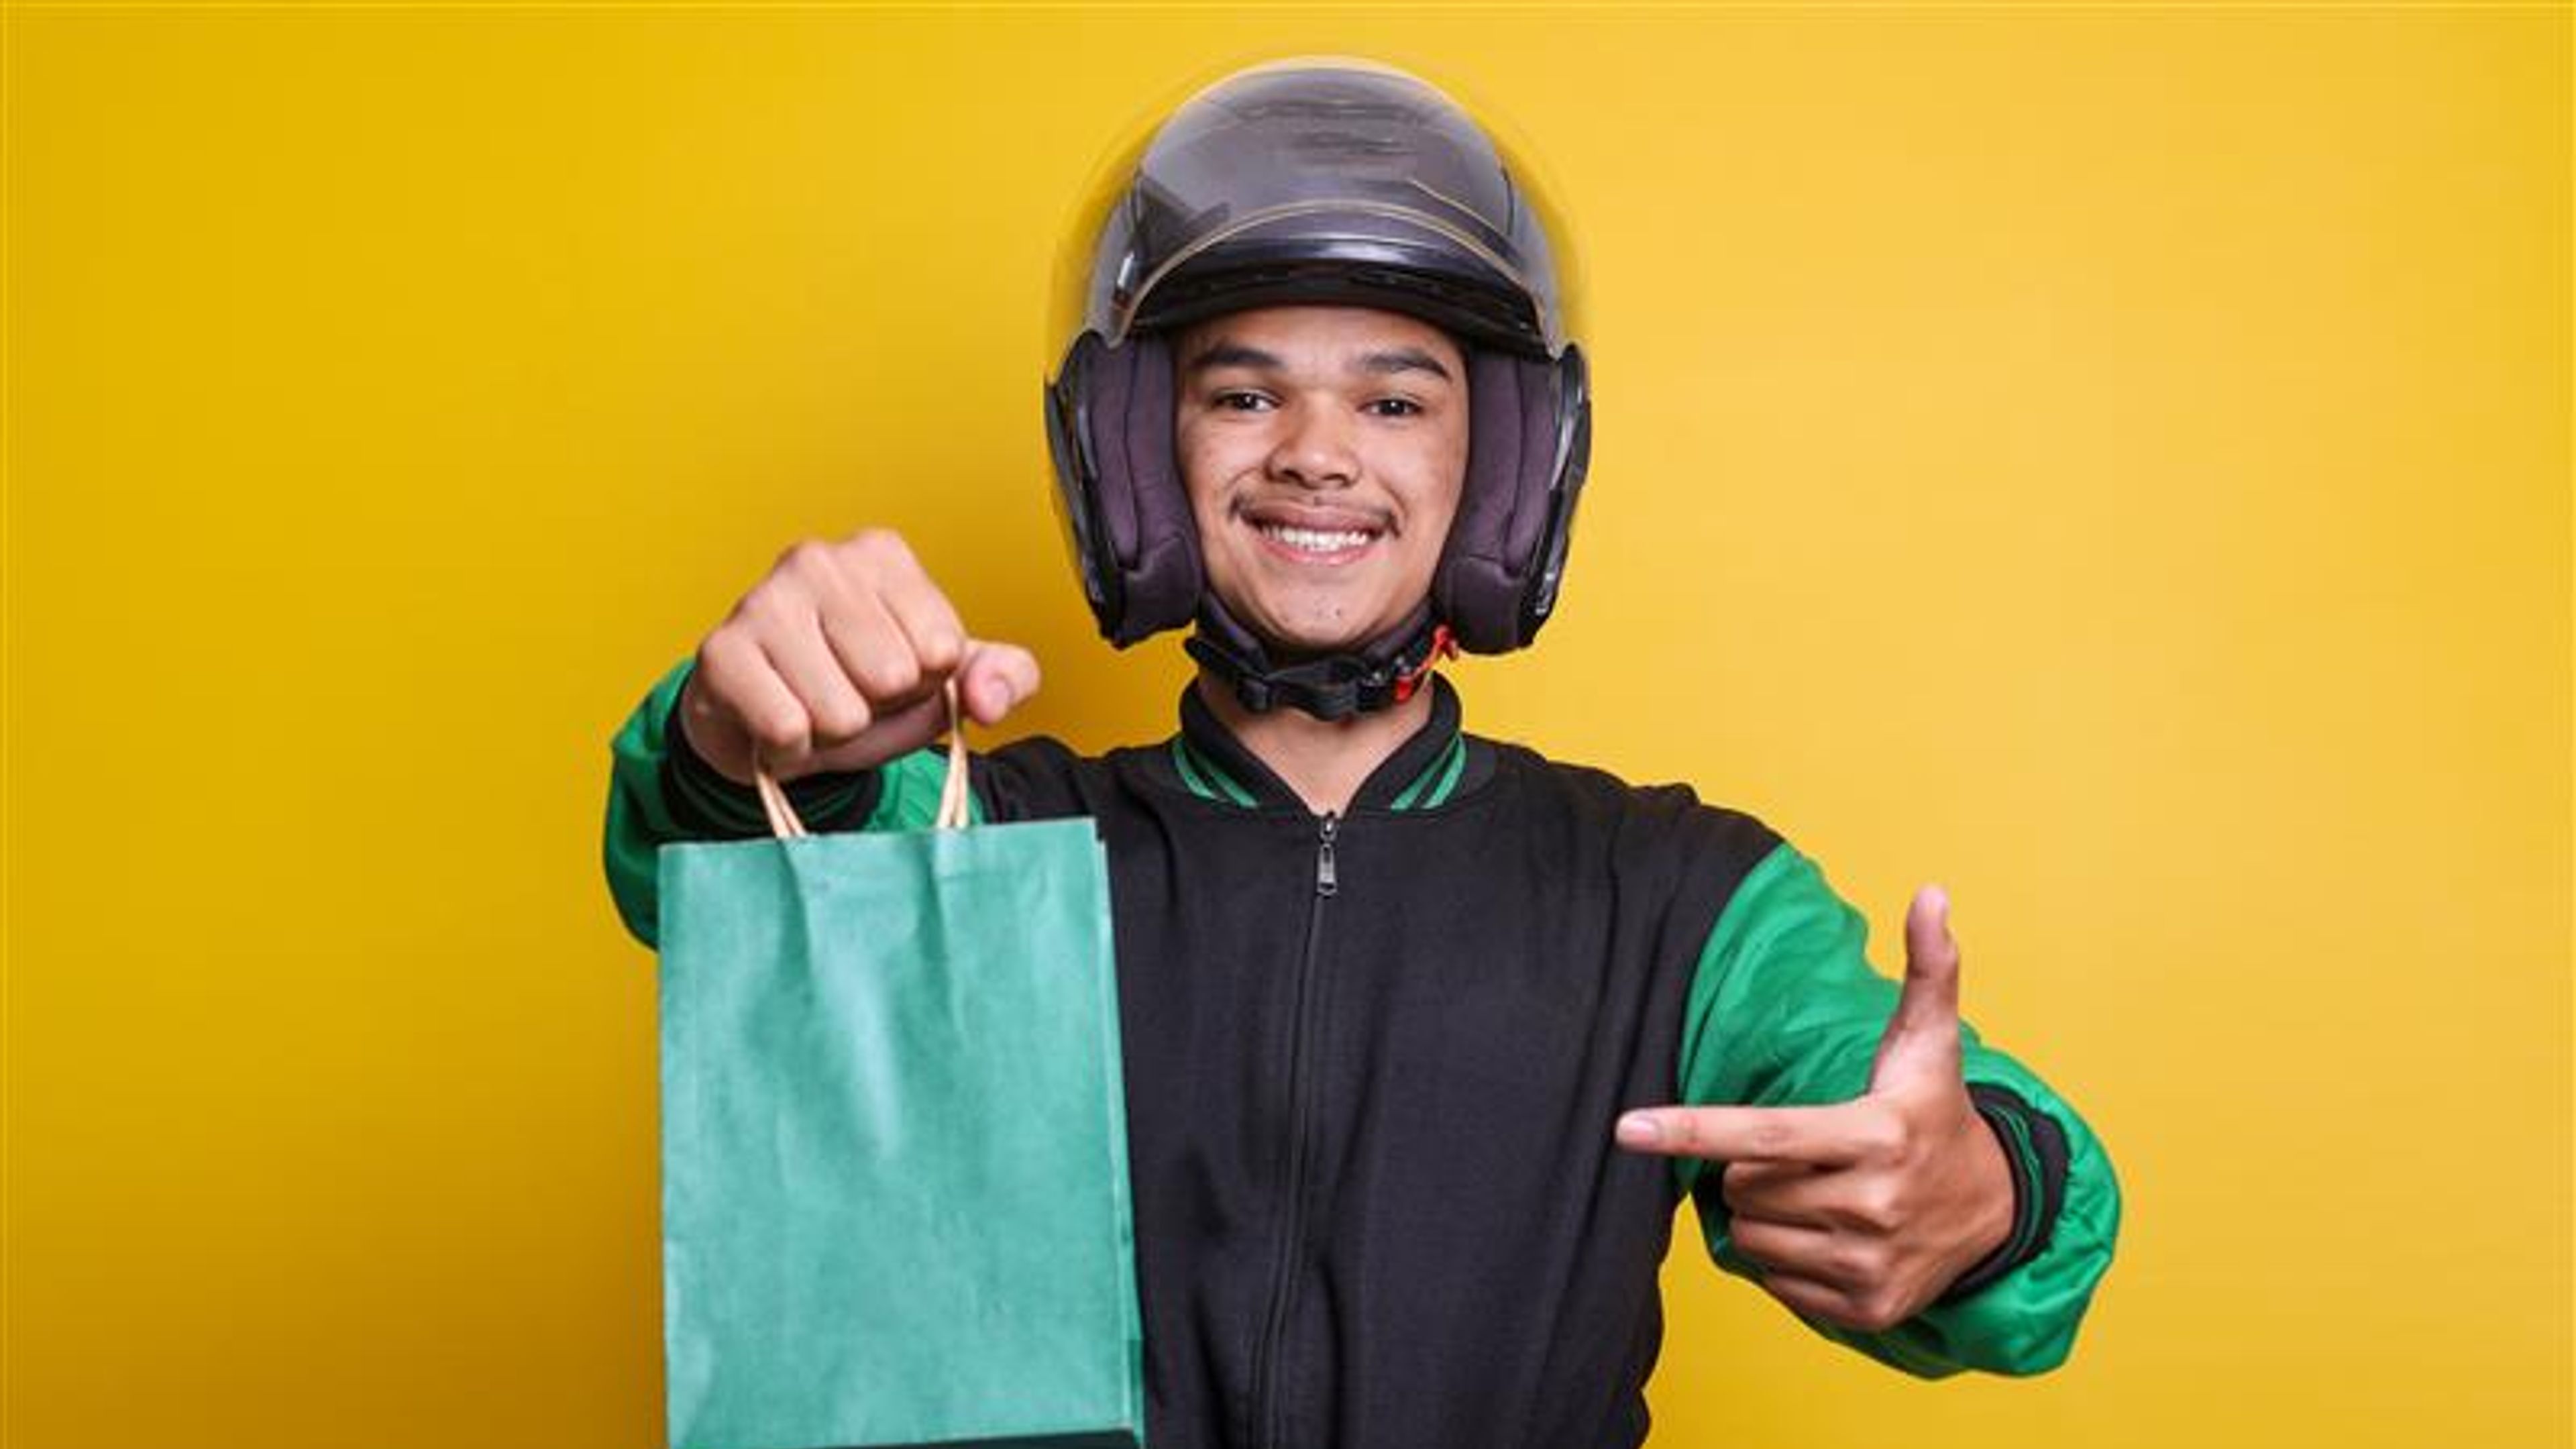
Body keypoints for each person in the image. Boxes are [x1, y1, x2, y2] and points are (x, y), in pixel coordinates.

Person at [602, 56, 2118, 1448]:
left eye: (1395, 400)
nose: (1317, 450)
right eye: (1245, 393)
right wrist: (753, 738)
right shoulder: (977, 841)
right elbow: (703, 880)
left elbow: (1909, 1124)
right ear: (1135, 456)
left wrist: (1979, 1191)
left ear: (1504, 466)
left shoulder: (1673, 892)